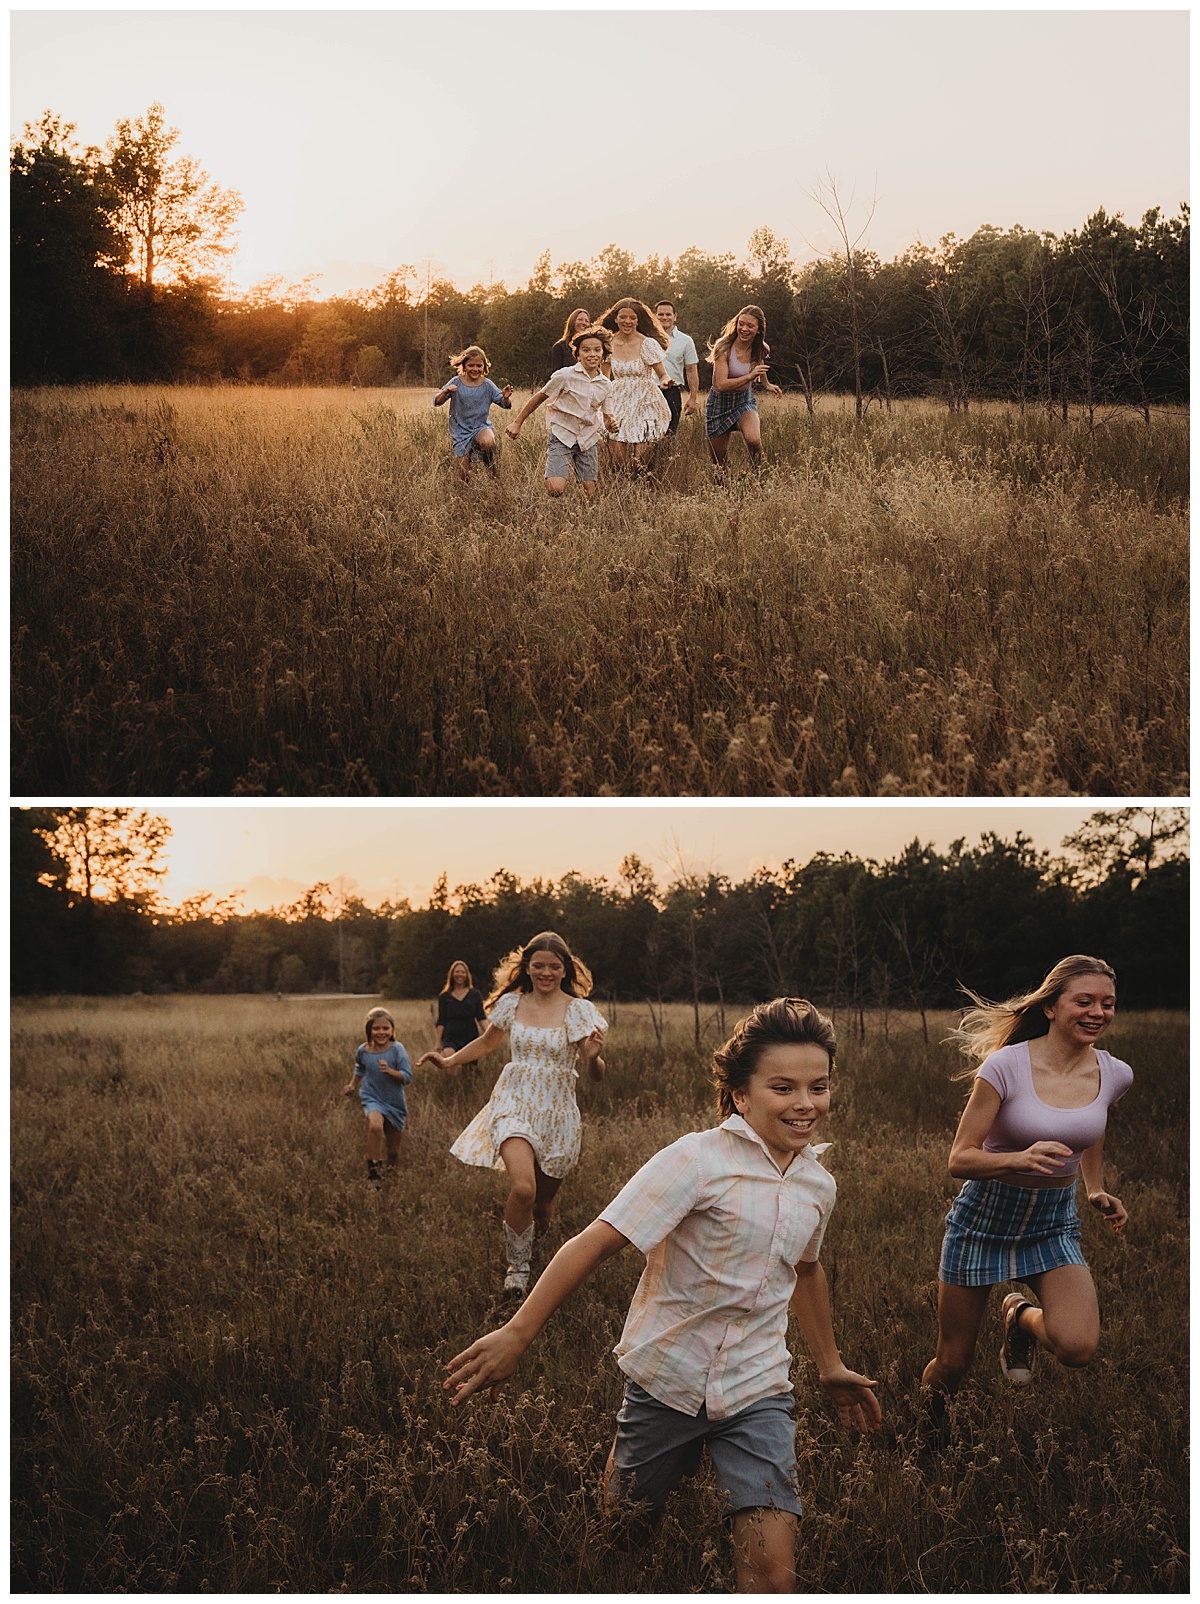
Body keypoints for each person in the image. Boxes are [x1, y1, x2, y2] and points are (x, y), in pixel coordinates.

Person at [443, 997, 881, 1593]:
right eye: (783, 1087)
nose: (805, 1104)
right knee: (623, 1534)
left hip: (758, 1388)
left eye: (819, 1087)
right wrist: (518, 1333)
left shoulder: (817, 1184)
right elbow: (594, 1243)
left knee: (772, 1575)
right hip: (666, 1381)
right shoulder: (695, 1161)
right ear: (741, 1095)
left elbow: (805, 1271)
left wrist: (828, 1364)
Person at [921, 956, 1131, 1417]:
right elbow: (960, 1159)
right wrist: (1019, 1157)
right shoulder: (1005, 1066)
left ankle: (1018, 1317)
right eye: (1085, 1001)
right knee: (953, 1363)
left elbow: (1092, 1126)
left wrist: (1094, 1187)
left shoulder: (1115, 1073)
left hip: (1052, 1222)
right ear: (1051, 1007)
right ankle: (931, 1432)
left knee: (1077, 1347)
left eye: (1107, 1003)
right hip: (983, 1219)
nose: (1098, 1012)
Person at [416, 932, 606, 1291]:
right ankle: (517, 1272)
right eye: (539, 966)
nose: (546, 972)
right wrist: (449, 1060)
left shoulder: (579, 1011)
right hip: (513, 1102)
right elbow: (487, 1042)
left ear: (565, 969)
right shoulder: (511, 1004)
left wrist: (594, 1057)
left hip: (558, 1113)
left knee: (543, 1205)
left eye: (554, 966)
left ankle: (537, 1244)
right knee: (523, 1189)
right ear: (527, 968)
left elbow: (595, 1074)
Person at [505, 327, 619, 503]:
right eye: (586, 350)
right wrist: (517, 423)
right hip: (562, 434)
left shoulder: (606, 385)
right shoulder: (565, 376)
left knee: (589, 494)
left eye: (597, 350)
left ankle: (578, 518)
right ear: (578, 354)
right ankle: (556, 470)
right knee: (555, 489)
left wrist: (611, 423)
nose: (592, 354)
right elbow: (539, 397)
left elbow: (607, 416)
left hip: (587, 438)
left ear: (603, 353)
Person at [597, 297, 674, 466]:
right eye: (623, 317)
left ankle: (645, 486)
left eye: (632, 317)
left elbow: (662, 374)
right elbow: (604, 378)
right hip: (618, 401)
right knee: (618, 460)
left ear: (638, 320)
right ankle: (622, 488)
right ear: (616, 318)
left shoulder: (648, 344)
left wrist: (666, 381)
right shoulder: (608, 344)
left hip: (644, 401)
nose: (627, 321)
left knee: (641, 461)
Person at [343, 1005, 413, 1186]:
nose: (381, 1032)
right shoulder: (363, 1050)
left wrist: (391, 1071)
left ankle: (391, 1181)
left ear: (392, 1030)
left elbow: (407, 1077)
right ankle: (374, 1174)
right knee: (375, 1127)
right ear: (369, 1030)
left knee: (393, 1152)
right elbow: (360, 1068)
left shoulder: (397, 1049)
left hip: (395, 1101)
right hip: (371, 1096)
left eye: (385, 1028)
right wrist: (352, 1084)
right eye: (376, 1028)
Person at [705, 305, 782, 469]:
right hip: (719, 403)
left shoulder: (761, 348)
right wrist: (749, 376)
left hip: (743, 401)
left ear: (759, 330)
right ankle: (727, 489)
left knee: (754, 440)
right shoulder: (723, 348)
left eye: (750, 326)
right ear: (736, 324)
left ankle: (759, 478)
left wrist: (766, 383)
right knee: (720, 464)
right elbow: (720, 385)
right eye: (741, 324)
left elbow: (759, 362)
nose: (744, 329)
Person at [433, 346, 514, 479]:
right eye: (471, 365)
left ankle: (492, 472)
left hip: (480, 426)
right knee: (464, 475)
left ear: (484, 367)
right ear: (464, 366)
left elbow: (504, 405)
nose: (475, 369)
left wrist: (505, 397)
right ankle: (470, 455)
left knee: (488, 441)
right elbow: (437, 401)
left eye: (479, 365)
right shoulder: (456, 382)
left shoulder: (487, 385)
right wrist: (445, 391)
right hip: (460, 430)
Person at [655, 300, 699, 433]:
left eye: (668, 314)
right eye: (661, 314)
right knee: (646, 433)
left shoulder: (685, 341)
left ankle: (666, 454)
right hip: (648, 390)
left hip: (672, 392)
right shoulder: (645, 338)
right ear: (655, 316)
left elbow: (691, 370)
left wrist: (693, 398)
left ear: (675, 316)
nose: (664, 317)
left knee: (669, 433)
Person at [436, 960, 487, 1060]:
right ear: (452, 974)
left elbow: (481, 1018)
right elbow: (441, 1021)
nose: (460, 975)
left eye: (463, 972)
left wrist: (490, 1035)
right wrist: (438, 1042)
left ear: (467, 975)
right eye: (457, 972)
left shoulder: (475, 995)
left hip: (470, 1035)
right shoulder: (444, 996)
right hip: (450, 1035)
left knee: (469, 1070)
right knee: (448, 1059)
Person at [550, 308, 593, 374]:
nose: (584, 323)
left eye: (586, 321)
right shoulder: (560, 347)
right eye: (580, 319)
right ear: (572, 322)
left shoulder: (592, 347)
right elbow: (556, 375)